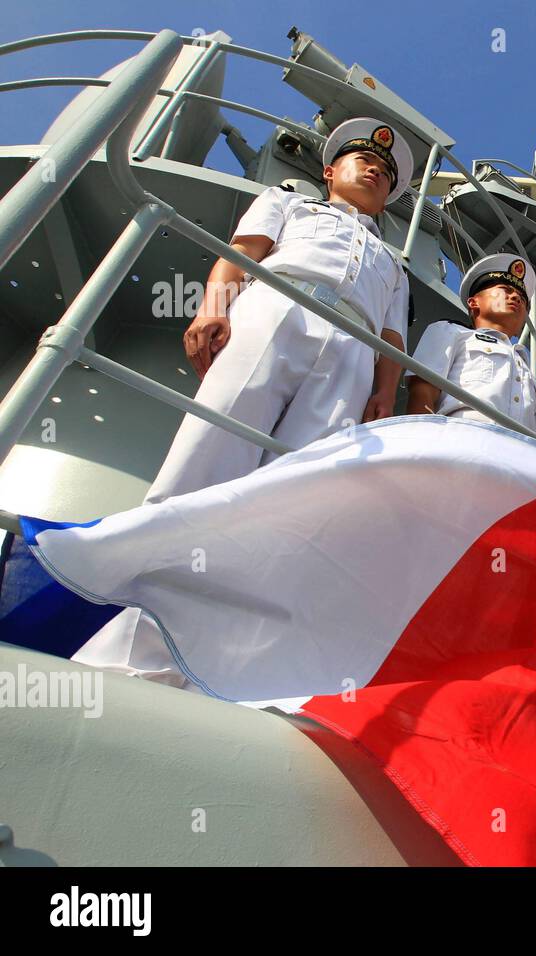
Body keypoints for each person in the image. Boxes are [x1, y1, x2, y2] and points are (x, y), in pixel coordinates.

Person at [73, 117, 415, 687]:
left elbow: (395, 342)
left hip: (354, 346)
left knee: (297, 491)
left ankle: (227, 667)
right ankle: (130, 647)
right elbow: (240, 253)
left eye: (384, 172)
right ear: (330, 171)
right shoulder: (288, 203)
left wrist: (383, 393)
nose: (375, 170)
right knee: (210, 451)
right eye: (364, 161)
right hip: (277, 304)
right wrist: (214, 308)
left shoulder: (393, 267)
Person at [406, 253, 536, 435]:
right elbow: (423, 389)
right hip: (463, 441)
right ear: (474, 303)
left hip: (518, 456)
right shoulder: (450, 332)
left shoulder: (528, 372)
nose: (516, 298)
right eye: (506, 289)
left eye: (522, 298)